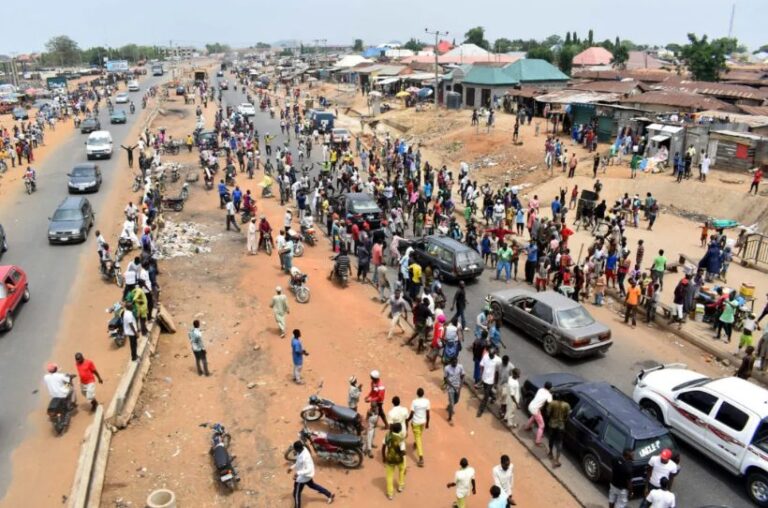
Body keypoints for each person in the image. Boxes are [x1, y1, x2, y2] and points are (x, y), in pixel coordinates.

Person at [288, 440, 335, 507]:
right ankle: (329, 495)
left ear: (298, 449)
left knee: (296, 493)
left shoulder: (305, 457)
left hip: (304, 477)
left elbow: (308, 470)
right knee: (312, 485)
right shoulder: (302, 450)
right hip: (305, 476)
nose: (294, 451)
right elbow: (298, 462)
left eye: (295, 449)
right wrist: (292, 467)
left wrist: (298, 473)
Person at [382, 422, 407, 500]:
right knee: (402, 470)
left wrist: (383, 457)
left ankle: (390, 494)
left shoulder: (388, 436)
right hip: (399, 459)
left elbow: (383, 447)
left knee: (389, 476)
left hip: (390, 459)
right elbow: (403, 452)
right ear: (400, 430)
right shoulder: (401, 439)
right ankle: (400, 486)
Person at [524, 381, 552, 446]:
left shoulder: (540, 389)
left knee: (534, 417)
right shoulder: (549, 395)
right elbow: (550, 402)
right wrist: (550, 394)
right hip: (535, 409)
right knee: (542, 425)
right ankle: (538, 441)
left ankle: (527, 427)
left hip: (531, 406)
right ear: (550, 388)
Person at [407, 388, 430, 467]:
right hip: (422, 422)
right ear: (423, 394)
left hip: (416, 422)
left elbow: (412, 413)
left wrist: (407, 420)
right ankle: (416, 443)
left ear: (417, 394)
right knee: (419, 436)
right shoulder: (427, 401)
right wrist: (427, 423)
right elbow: (428, 413)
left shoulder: (414, 402)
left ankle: (421, 458)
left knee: (418, 438)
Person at [546, 393, 571, 467]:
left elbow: (547, 413)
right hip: (561, 426)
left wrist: (550, 418)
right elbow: (568, 416)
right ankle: (557, 460)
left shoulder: (552, 403)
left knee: (551, 439)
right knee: (559, 442)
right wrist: (563, 420)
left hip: (552, 424)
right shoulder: (566, 405)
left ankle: (550, 453)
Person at [477, 348, 500, 417]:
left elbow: (498, 371)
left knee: (485, 396)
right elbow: (481, 365)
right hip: (484, 378)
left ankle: (481, 410)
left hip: (491, 381)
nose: (490, 356)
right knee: (488, 391)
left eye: (491, 355)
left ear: (494, 354)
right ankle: (493, 396)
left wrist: (496, 382)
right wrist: (481, 376)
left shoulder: (498, 360)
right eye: (489, 354)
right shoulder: (486, 356)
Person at [444, 356, 465, 425]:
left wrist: (460, 387)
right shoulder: (447, 368)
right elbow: (446, 379)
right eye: (453, 363)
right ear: (450, 362)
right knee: (452, 404)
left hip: (458, 387)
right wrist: (453, 387)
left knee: (456, 400)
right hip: (450, 387)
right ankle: (450, 419)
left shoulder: (460, 367)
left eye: (456, 362)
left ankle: (449, 406)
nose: (455, 364)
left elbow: (462, 377)